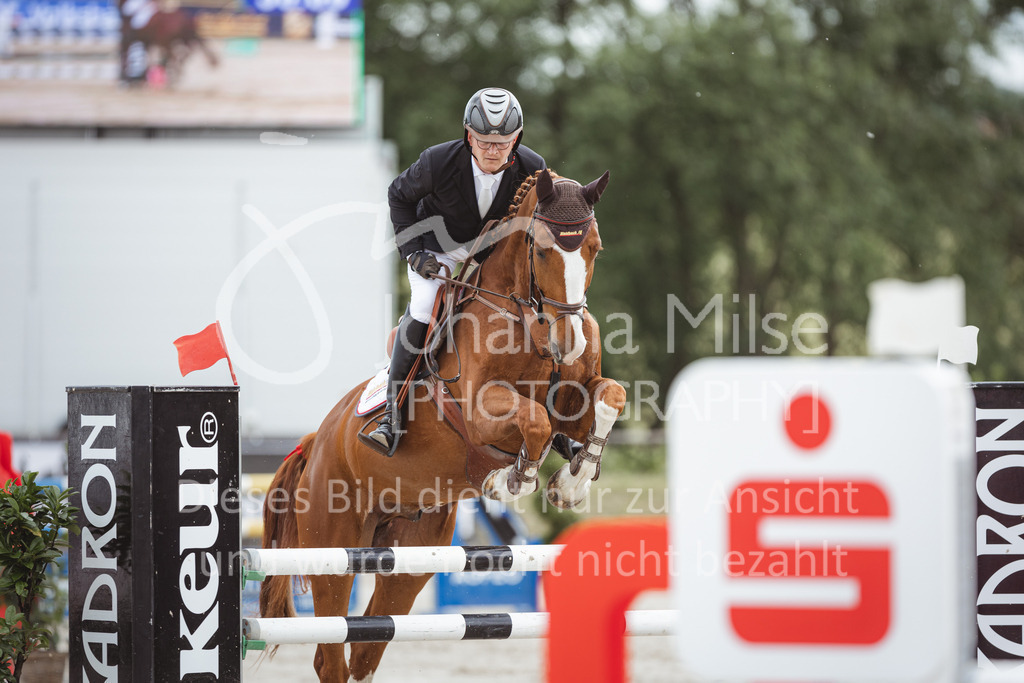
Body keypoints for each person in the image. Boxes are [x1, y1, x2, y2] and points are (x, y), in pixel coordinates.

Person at [368, 87, 547, 456]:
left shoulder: (533, 168)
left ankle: (553, 408)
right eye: (483, 141)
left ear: (516, 138)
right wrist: (413, 251)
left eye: (502, 142)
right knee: (424, 305)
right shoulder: (438, 162)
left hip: (492, 252)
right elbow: (398, 195)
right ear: (469, 135)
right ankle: (391, 415)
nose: (492, 151)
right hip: (439, 248)